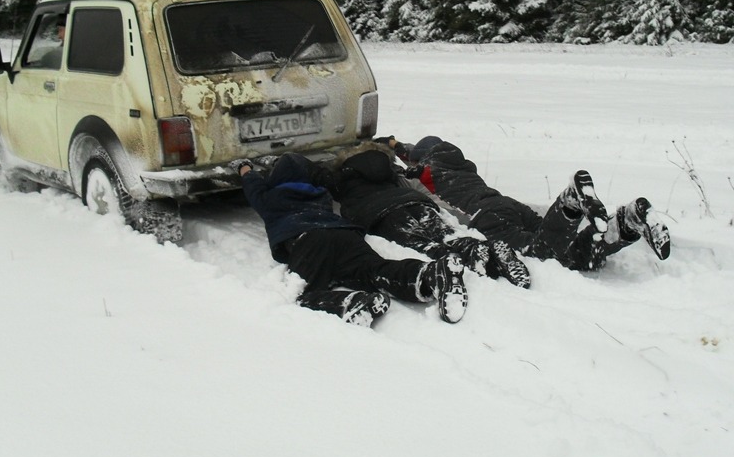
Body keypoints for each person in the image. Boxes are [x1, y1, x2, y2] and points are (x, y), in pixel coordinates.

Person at [232, 152, 468, 326]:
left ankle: (352, 303)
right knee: (375, 270)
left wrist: (245, 167)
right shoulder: (321, 195)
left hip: (307, 239)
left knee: (302, 293)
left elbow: (253, 186)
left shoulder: (271, 199)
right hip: (345, 234)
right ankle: (429, 275)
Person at [392, 136, 671, 272]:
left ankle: (571, 204)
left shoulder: (425, 173)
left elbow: (405, 171)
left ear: (423, 158)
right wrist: (396, 146)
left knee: (543, 254)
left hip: (484, 217)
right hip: (509, 205)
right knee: (568, 252)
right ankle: (627, 223)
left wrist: (398, 166)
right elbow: (410, 151)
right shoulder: (461, 165)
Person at [309, 142, 531, 289]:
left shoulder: (343, 176)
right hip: (413, 201)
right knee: (446, 232)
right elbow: (408, 174)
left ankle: (467, 260)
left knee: (422, 243)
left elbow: (318, 180)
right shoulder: (388, 169)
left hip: (380, 213)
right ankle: (476, 248)